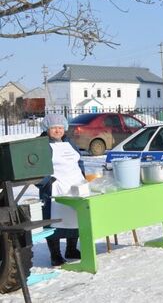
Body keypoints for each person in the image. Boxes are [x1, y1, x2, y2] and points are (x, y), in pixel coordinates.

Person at [36, 114, 85, 266]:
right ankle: (55, 254)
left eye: (60, 128)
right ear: (46, 129)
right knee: (54, 221)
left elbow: (79, 160)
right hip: (54, 189)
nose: (57, 131)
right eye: (53, 128)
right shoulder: (40, 144)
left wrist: (83, 177)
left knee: (75, 217)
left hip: (75, 186)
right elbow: (34, 168)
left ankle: (71, 249)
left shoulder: (69, 142)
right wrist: (47, 182)